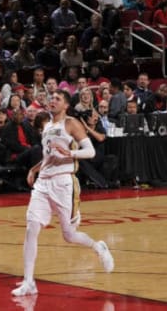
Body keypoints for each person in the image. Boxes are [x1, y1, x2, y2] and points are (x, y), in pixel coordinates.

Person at [12, 90, 114, 297]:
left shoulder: (71, 123)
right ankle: (29, 281)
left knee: (69, 235)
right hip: (43, 184)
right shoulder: (47, 126)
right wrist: (34, 169)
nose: (53, 100)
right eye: (52, 98)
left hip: (63, 183)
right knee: (32, 227)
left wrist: (72, 153)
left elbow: (91, 151)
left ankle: (98, 247)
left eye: (58, 99)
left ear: (66, 105)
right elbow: (48, 157)